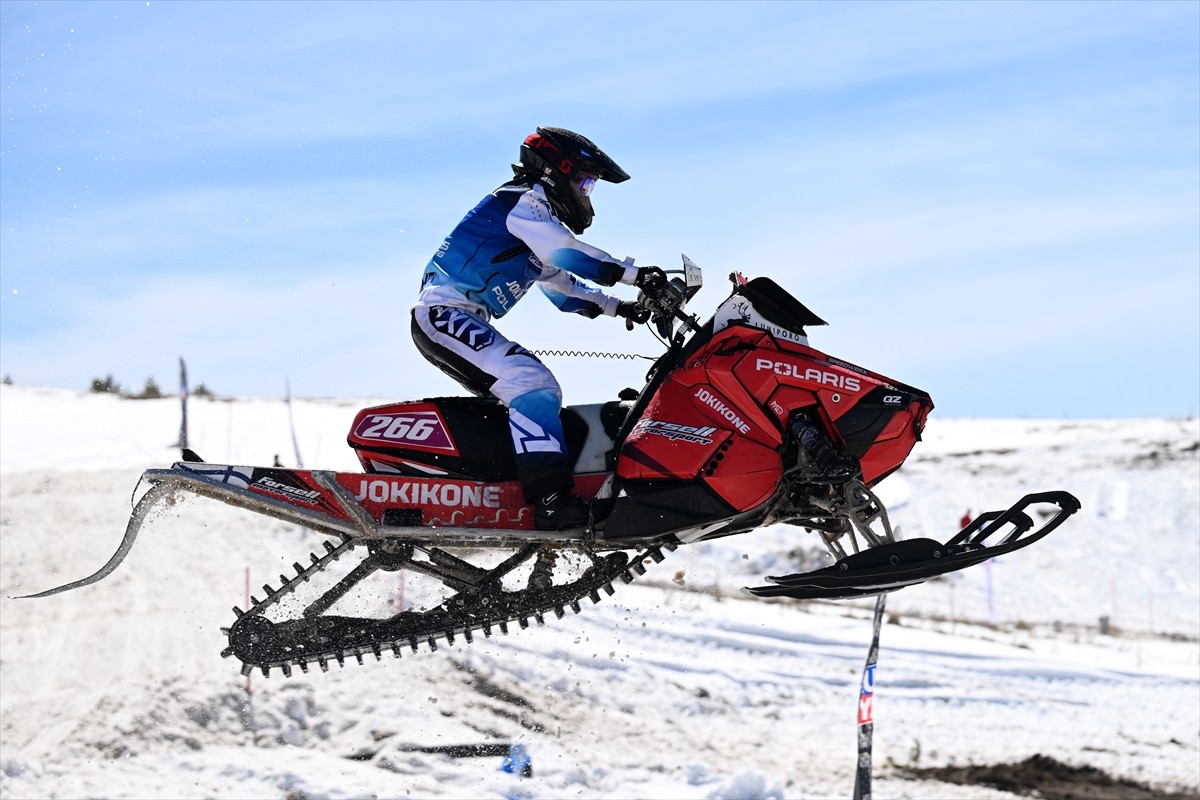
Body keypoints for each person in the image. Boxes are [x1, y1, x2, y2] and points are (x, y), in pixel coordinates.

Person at [411, 127, 665, 530]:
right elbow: (566, 252)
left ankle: (506, 485)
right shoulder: (522, 202)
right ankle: (549, 501)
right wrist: (636, 275)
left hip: (458, 316)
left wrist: (623, 308)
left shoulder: (533, 223)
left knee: (521, 391)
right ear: (557, 170)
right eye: (585, 182)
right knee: (530, 381)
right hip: (444, 313)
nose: (586, 194)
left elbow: (564, 290)